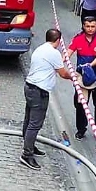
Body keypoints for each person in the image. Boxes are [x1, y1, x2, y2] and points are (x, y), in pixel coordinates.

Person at [20, 28, 71, 170]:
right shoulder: (54, 53)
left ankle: (29, 144)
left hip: (30, 87)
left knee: (28, 118)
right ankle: (27, 154)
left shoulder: (40, 49)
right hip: (39, 91)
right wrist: (74, 77)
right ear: (59, 40)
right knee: (35, 124)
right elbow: (63, 73)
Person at [66, 16, 96, 141]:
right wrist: (59, 61)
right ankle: (81, 129)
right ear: (83, 26)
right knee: (80, 104)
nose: (90, 29)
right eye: (87, 26)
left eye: (93, 26)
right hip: (82, 80)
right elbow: (68, 53)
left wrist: (89, 66)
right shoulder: (77, 39)